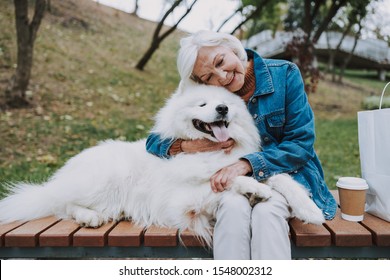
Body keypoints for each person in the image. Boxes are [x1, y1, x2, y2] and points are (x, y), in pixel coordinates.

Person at [145, 30, 337, 260]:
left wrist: (246, 164)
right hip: (232, 185)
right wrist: (189, 146)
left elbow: (301, 143)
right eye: (208, 77)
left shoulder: (284, 75)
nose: (222, 76)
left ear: (232, 47)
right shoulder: (212, 95)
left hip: (287, 176)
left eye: (220, 61)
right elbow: (155, 140)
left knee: (266, 213)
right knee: (233, 209)